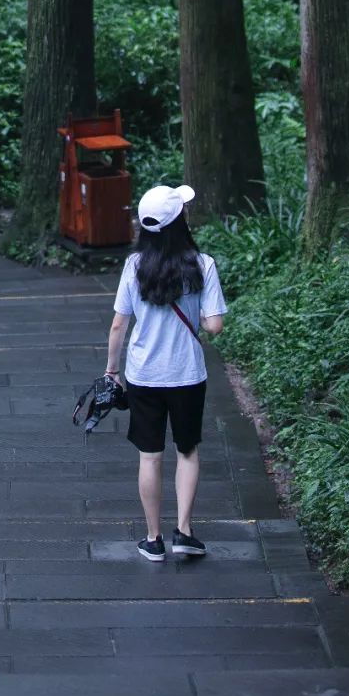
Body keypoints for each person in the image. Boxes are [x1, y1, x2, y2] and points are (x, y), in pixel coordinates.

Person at [104, 183, 227, 562]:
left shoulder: (134, 265)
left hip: (143, 375)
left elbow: (118, 325)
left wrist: (112, 371)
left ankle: (153, 539)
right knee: (187, 450)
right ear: (180, 222)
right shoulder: (201, 264)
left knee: (150, 456)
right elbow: (214, 326)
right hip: (187, 374)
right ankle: (184, 532)